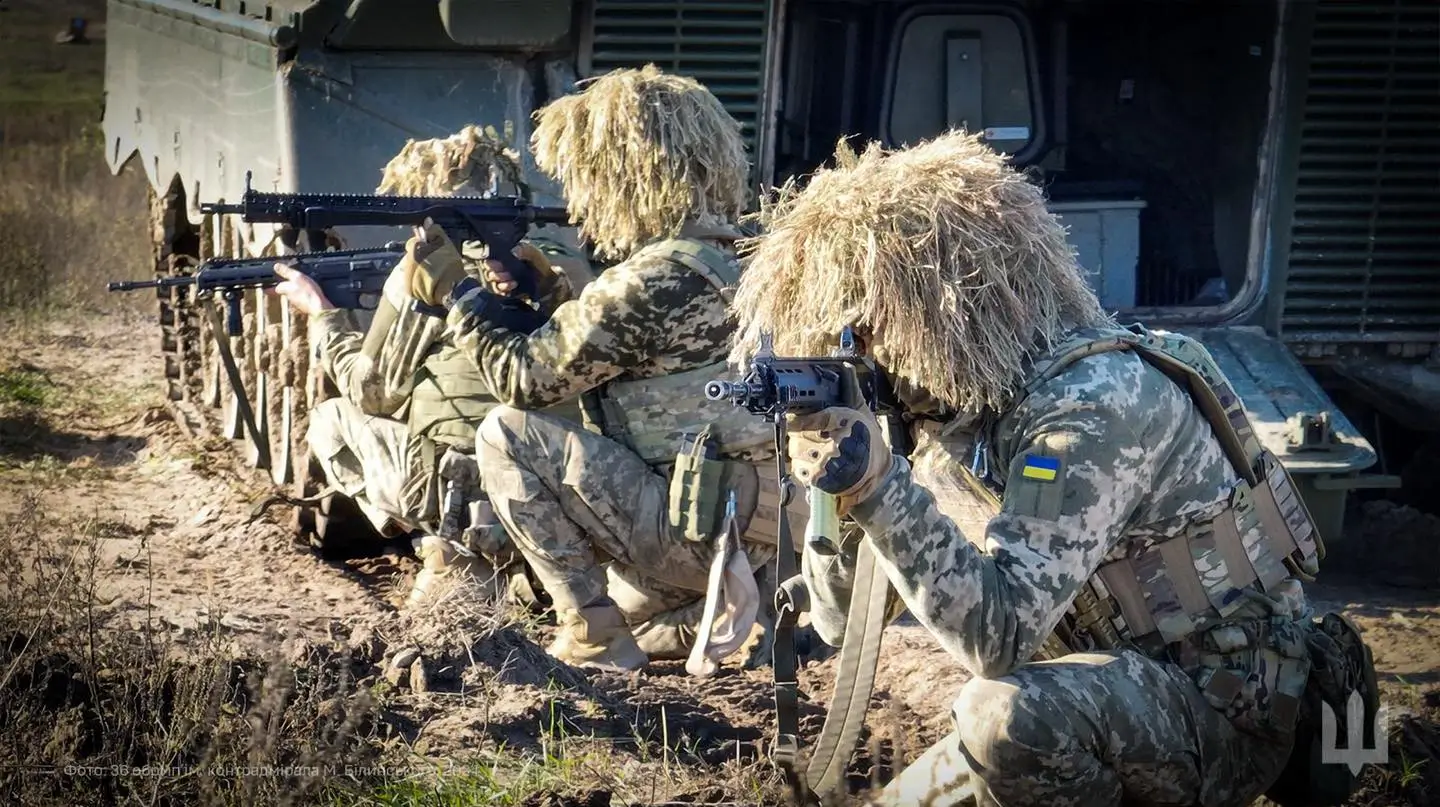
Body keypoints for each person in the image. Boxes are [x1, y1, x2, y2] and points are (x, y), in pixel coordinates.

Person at [725, 130, 1378, 806]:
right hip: (1112, 689)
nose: (867, 357)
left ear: (940, 311)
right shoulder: (959, 411)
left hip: (1225, 712)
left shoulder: (1089, 404)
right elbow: (838, 623)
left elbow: (997, 639)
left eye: (866, 335)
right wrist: (837, 488)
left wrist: (879, 486)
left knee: (1003, 718)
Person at [403, 65, 806, 673]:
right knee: (634, 613)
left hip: (703, 533)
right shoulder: (751, 254)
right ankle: (739, 618)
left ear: (624, 178)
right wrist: (550, 299)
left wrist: (458, 296)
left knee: (505, 434)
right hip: (782, 535)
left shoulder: (649, 278)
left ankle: (593, 636)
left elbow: (526, 382)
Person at [272, 124, 585, 609]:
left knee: (330, 421)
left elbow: (373, 390)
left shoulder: (427, 271)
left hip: (465, 487)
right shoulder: (558, 267)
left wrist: (323, 317)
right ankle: (521, 568)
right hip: (563, 487)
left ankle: (440, 546)